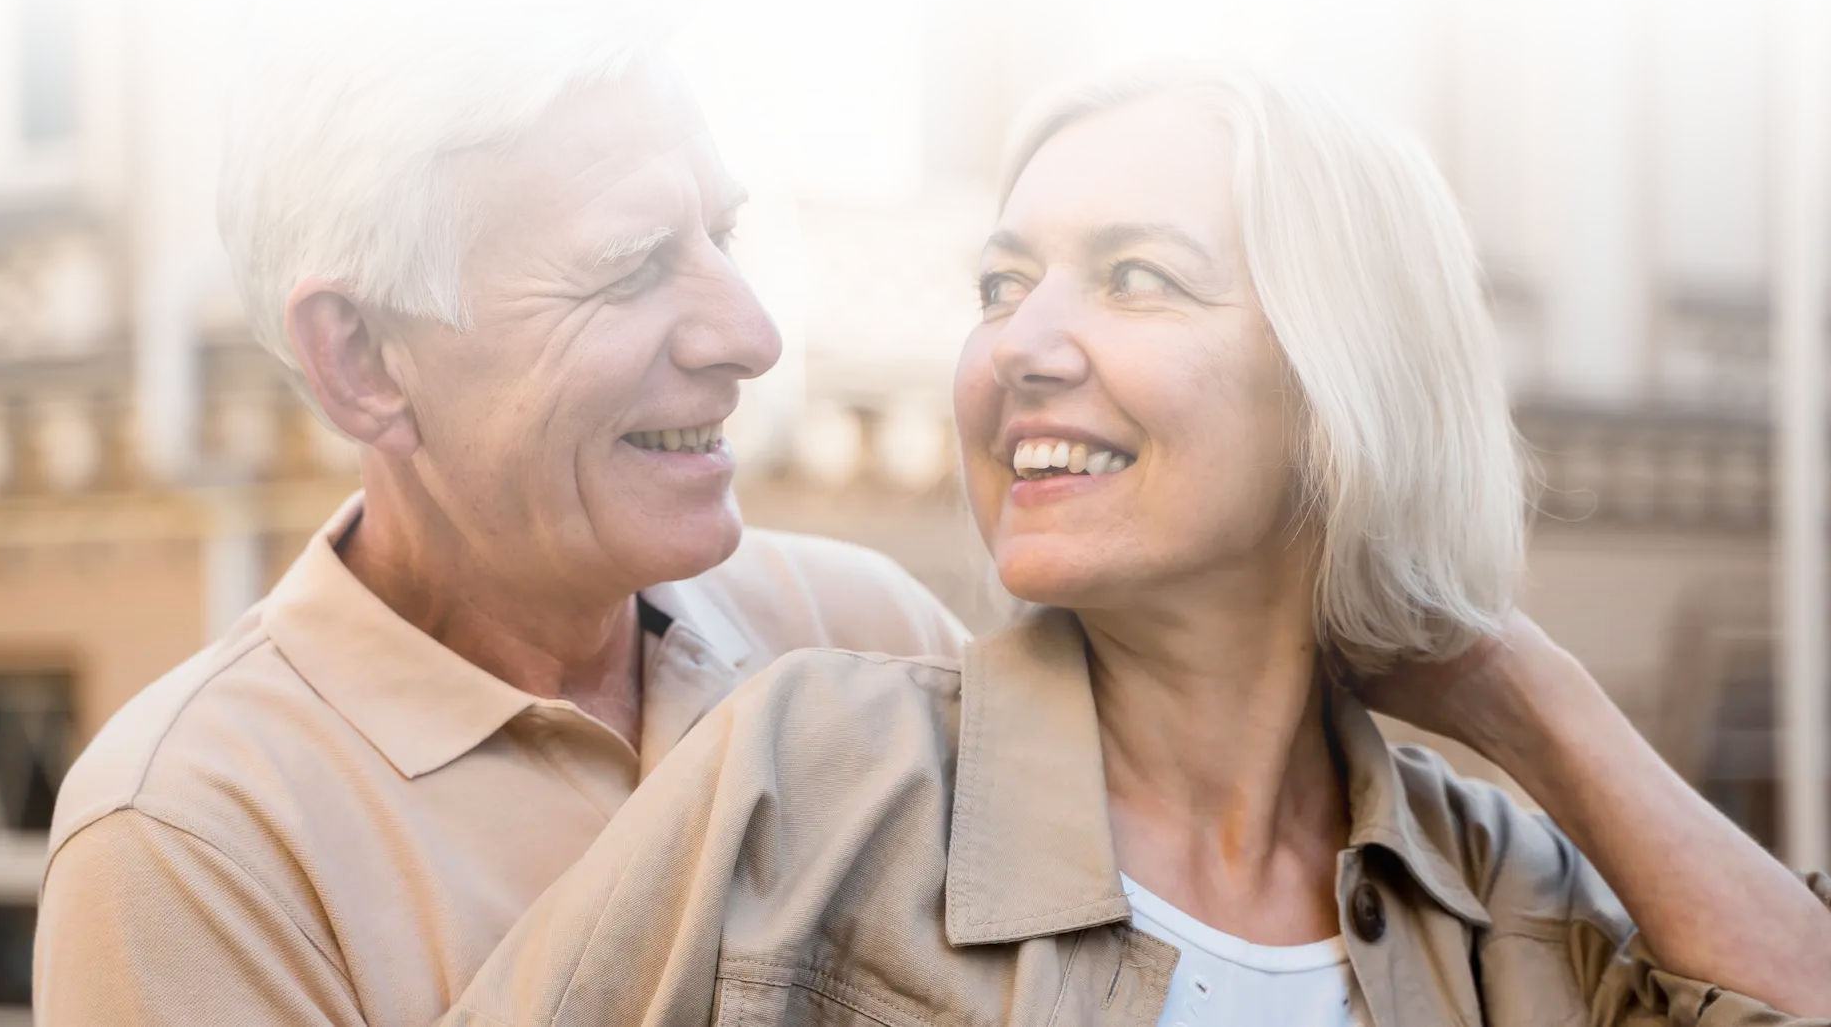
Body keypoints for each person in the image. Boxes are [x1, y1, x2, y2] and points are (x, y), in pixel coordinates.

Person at [438, 56, 1831, 1027]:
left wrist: (1529, 695)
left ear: (1338, 378)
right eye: (1002, 282)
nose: (1023, 345)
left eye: (1135, 278)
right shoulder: (810, 777)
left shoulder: (1496, 891)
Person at [30, 0, 968, 1026]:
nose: (750, 338)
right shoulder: (192, 841)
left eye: (723, 239)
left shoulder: (870, 642)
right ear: (362, 358)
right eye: (629, 270)